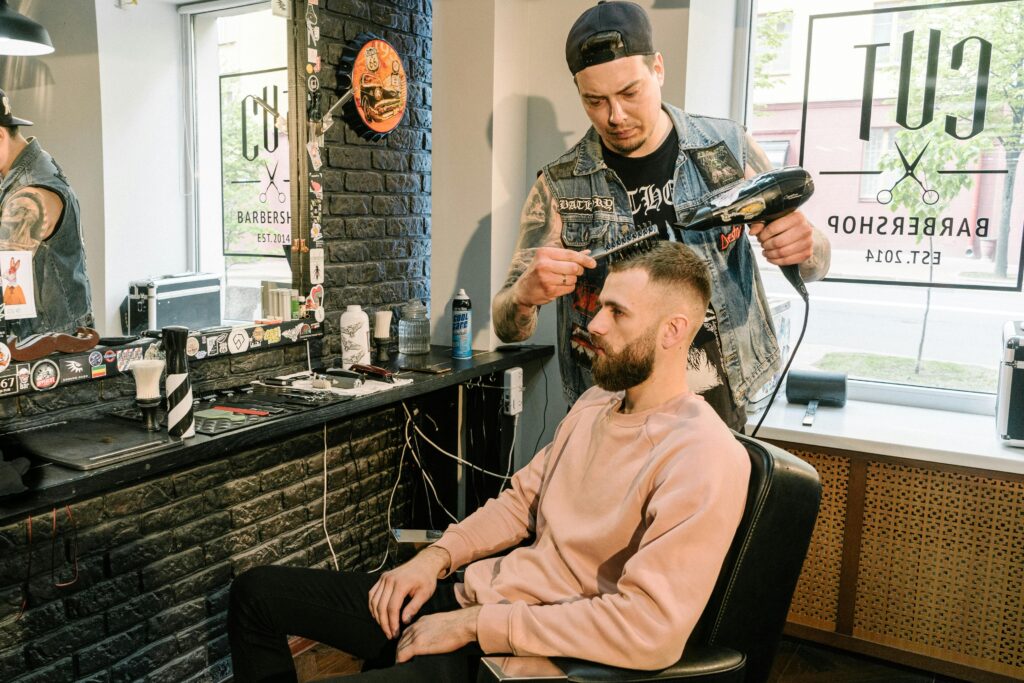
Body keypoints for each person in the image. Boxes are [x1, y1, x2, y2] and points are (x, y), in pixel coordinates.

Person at [228, 241, 751, 682]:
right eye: (601, 306)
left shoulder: (702, 454)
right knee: (256, 595)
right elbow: (521, 502)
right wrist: (432, 561)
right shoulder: (596, 404)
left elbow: (651, 631)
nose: (595, 322)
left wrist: (477, 626)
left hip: (514, 650)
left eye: (618, 312)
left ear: (673, 330)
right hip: (472, 597)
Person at [491, 1, 831, 432]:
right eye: (595, 101)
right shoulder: (559, 186)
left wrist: (805, 245)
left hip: (719, 401)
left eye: (630, 93)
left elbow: (818, 262)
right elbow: (508, 325)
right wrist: (525, 293)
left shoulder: (727, 149)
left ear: (658, 70)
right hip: (613, 413)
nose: (615, 116)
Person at [0, 87, 93, 337]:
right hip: (60, 337)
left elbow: (9, 285)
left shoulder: (26, 198)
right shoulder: (42, 166)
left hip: (45, 348)